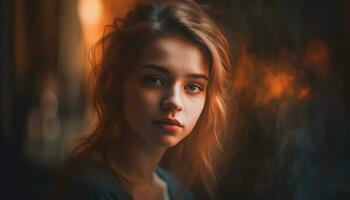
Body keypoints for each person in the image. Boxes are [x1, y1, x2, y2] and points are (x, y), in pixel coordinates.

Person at [53, 0, 232, 199]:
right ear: (119, 83)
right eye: (154, 80)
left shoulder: (177, 192)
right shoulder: (89, 192)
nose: (174, 101)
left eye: (192, 87)